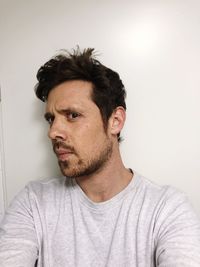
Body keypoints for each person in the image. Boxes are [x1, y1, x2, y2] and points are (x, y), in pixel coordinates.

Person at [0, 48, 200, 267]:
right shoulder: (33, 203)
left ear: (115, 121)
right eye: (51, 119)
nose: (53, 132)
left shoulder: (166, 209)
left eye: (72, 115)